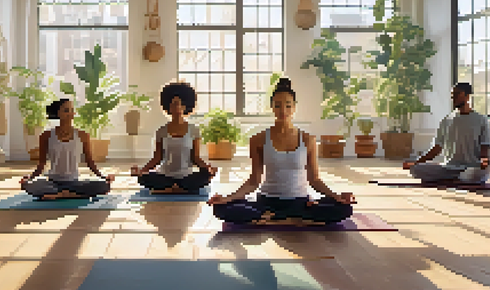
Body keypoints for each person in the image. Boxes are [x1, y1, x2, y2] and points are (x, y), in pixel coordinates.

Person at [207, 77, 356, 226]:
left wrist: (336, 196)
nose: (283, 110)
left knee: (345, 209)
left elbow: (314, 180)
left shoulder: (307, 139)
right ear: (271, 107)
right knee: (220, 209)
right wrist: (228, 198)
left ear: (294, 107)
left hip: (299, 201)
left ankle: (273, 217)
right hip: (267, 201)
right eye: (278, 105)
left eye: (288, 105)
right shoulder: (258, 140)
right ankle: (291, 217)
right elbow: (254, 181)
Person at [131, 81, 218, 193]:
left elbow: (195, 158)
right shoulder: (161, 131)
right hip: (166, 175)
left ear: (185, 106)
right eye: (173, 104)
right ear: (168, 107)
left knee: (204, 177)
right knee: (143, 178)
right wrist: (142, 171)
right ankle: (179, 188)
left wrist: (207, 169)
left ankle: (171, 189)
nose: (177, 107)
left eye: (180, 104)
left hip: (186, 176)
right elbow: (157, 158)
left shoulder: (194, 130)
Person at [20, 99, 115, 200]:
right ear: (58, 113)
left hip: (74, 182)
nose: (70, 113)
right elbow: (41, 165)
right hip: (53, 182)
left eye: (72, 110)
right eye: (66, 110)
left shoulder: (82, 135)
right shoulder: (46, 136)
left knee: (104, 186)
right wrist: (29, 178)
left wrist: (103, 177)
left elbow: (90, 162)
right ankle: (73, 195)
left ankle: (61, 195)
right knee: (28, 186)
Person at [403, 82, 490, 185]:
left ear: (467, 96)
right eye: (452, 95)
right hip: (449, 168)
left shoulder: (481, 120)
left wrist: (484, 161)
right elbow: (436, 148)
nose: (453, 98)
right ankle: (456, 179)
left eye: (457, 94)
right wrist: (416, 162)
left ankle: (452, 179)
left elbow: (485, 145)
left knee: (478, 174)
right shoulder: (446, 120)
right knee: (416, 169)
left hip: (471, 168)